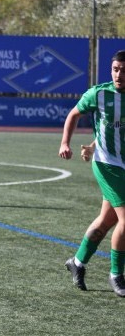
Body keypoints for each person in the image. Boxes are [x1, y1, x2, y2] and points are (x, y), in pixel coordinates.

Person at [59, 49, 125, 297]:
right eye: (115, 69)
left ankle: (77, 262)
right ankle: (117, 275)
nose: (119, 75)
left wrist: (92, 143)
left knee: (108, 220)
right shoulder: (99, 93)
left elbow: (112, 129)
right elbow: (74, 114)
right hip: (108, 165)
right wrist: (65, 143)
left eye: (124, 70)